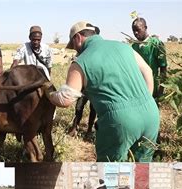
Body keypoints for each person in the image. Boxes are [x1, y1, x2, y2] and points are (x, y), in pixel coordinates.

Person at [44, 21, 159, 162]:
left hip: (120, 122)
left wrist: (49, 91)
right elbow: (148, 70)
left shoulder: (81, 62)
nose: (75, 50)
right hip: (151, 114)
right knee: (143, 169)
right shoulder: (124, 47)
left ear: (78, 38)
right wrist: (146, 100)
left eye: (73, 46)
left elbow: (65, 99)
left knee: (111, 172)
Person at [131, 17, 168, 102]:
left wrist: (161, 90)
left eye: (138, 30)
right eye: (133, 30)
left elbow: (163, 68)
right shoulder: (134, 46)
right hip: (138, 89)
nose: (135, 33)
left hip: (153, 89)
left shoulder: (156, 44)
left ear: (145, 28)